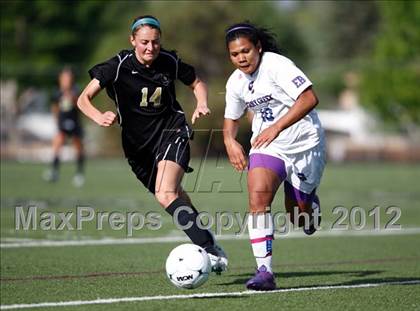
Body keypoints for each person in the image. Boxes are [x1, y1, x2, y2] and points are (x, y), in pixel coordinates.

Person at [77, 15, 227, 273]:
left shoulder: (168, 61)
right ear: (132, 40)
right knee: (175, 194)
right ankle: (207, 238)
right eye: (144, 42)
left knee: (165, 193)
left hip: (172, 131)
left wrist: (201, 102)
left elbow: (196, 82)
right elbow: (83, 99)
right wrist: (98, 115)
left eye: (155, 42)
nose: (150, 48)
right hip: (137, 147)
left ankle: (210, 251)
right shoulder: (117, 66)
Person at [223, 22, 326, 290]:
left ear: (258, 47)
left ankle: (309, 207)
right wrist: (229, 140)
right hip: (268, 145)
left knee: (299, 215)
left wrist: (277, 127)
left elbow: (309, 98)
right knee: (258, 198)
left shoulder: (277, 66)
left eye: (246, 51)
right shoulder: (236, 82)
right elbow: (231, 119)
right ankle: (265, 272)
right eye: (234, 54)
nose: (241, 58)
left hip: (305, 144)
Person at [44, 67, 85, 187]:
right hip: (62, 123)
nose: (66, 80)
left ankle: (79, 174)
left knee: (78, 148)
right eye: (64, 78)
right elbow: (55, 107)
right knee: (57, 145)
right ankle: (54, 171)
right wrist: (56, 120)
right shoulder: (57, 92)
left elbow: (81, 105)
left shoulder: (76, 91)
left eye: (68, 78)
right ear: (60, 79)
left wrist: (73, 98)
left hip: (75, 122)